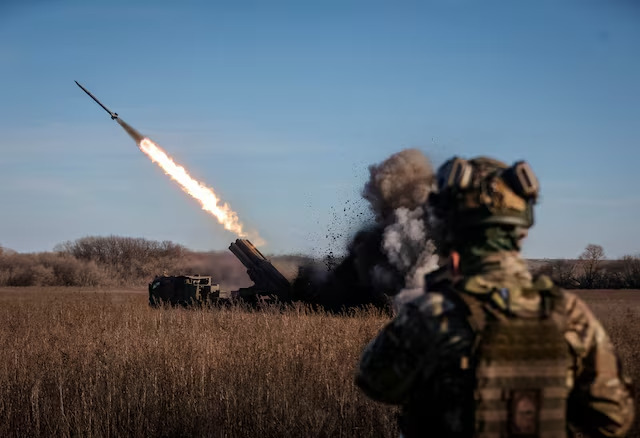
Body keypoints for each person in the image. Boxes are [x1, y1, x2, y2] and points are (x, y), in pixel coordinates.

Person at [356, 156, 635, 437]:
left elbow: (374, 381)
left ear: (447, 230)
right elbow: (613, 417)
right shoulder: (570, 314)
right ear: (522, 232)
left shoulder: (431, 314)